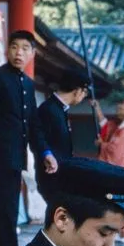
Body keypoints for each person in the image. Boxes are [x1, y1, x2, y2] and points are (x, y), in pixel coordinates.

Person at [0, 30, 54, 246]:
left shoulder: (27, 85)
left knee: (6, 210)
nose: (19, 53)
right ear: (7, 50)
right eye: (14, 47)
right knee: (8, 210)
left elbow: (33, 126)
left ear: (32, 53)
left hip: (16, 158)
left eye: (25, 49)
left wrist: (45, 153)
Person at [35, 67, 90, 204]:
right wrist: (47, 154)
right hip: (50, 174)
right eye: (85, 92)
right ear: (77, 91)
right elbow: (37, 137)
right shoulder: (48, 109)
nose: (83, 96)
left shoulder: (60, 109)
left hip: (60, 174)